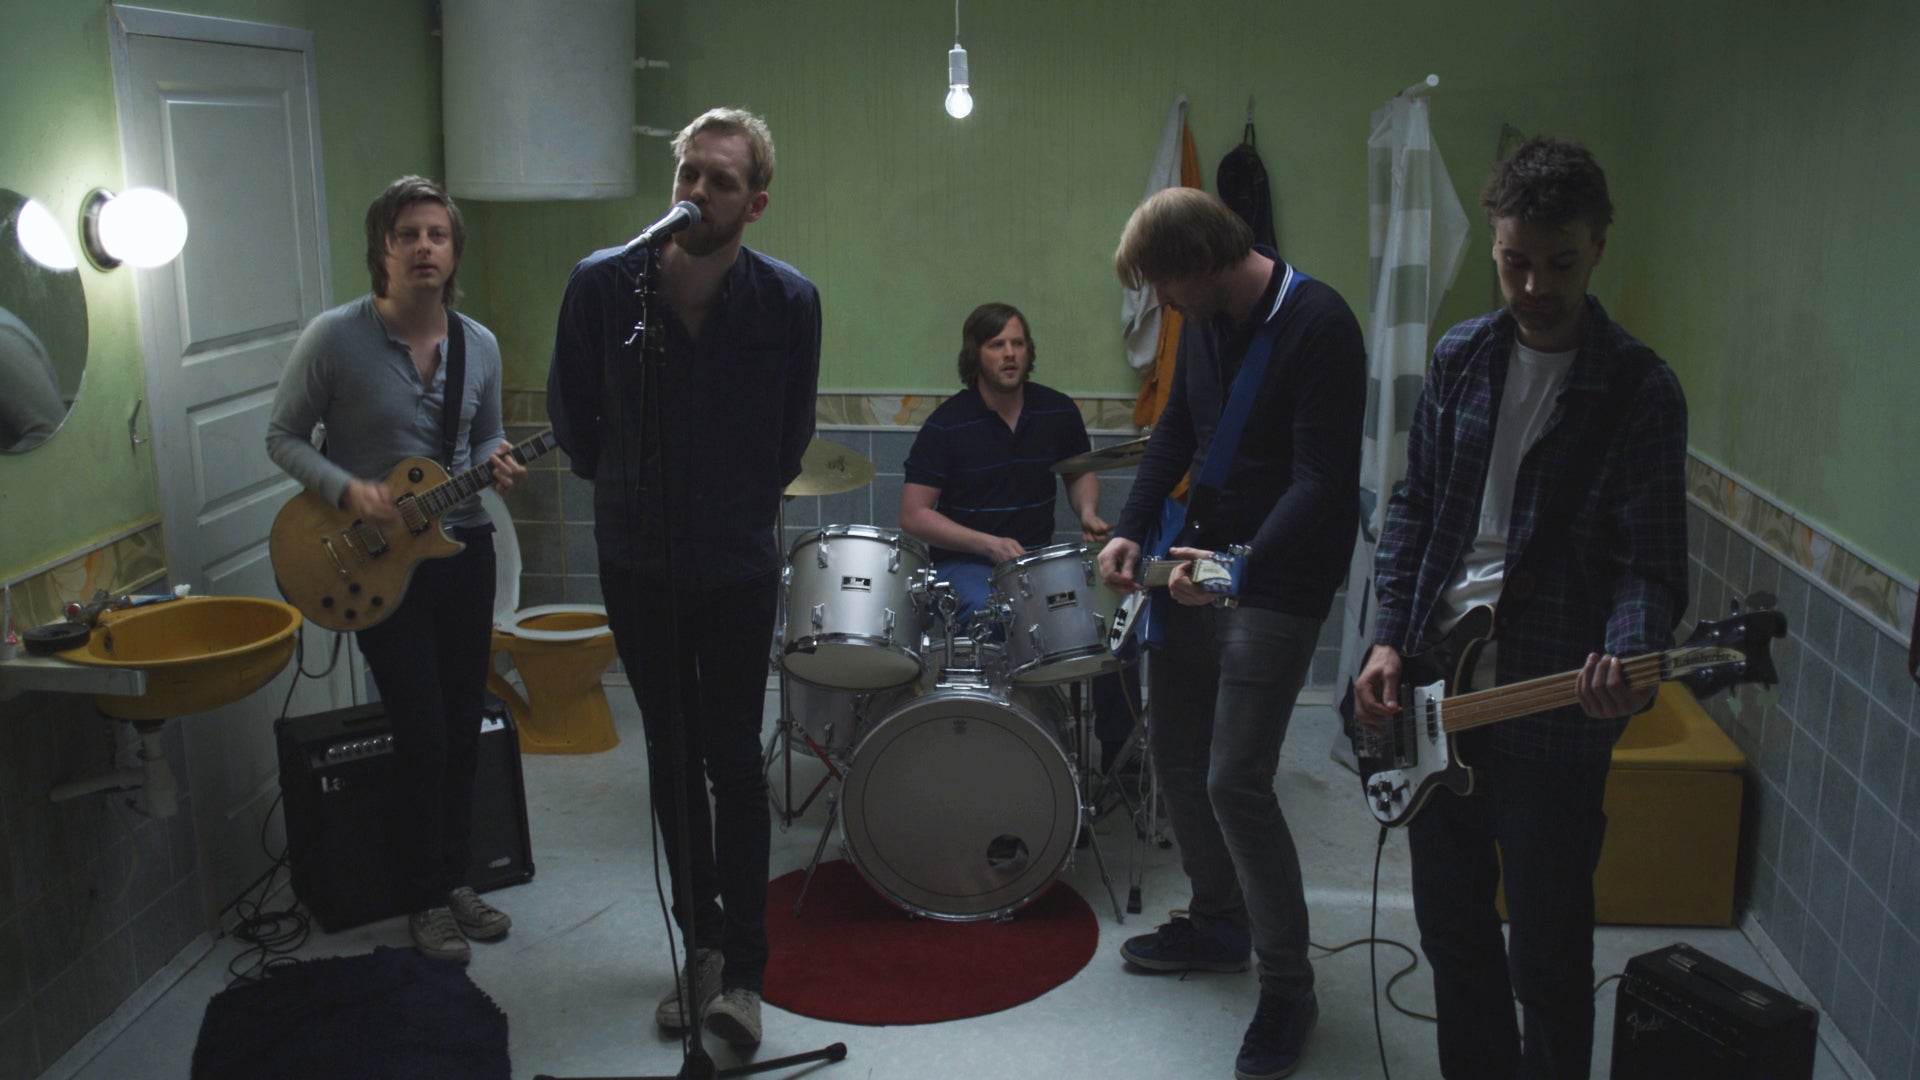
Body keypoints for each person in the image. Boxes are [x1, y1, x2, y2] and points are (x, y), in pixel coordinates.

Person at [1350, 136, 1689, 1079]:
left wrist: (1628, 657)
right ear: (1495, 245)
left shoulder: (1641, 391)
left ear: (1599, 249)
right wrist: (1386, 640)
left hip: (1551, 708)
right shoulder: (1462, 355)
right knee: (1453, 940)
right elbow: (1416, 507)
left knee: (1546, 953)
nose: (1535, 284)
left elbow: (1651, 568)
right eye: (1514, 261)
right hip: (1433, 692)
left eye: (1559, 263)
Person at [546, 107, 820, 1050]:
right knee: (667, 752)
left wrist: (731, 502)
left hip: (738, 562)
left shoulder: (789, 302)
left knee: (733, 758)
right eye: (689, 176)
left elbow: (791, 436)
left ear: (756, 204)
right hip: (638, 559)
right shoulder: (601, 286)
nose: (697, 193)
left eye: (721, 182)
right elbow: (575, 425)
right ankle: (699, 945)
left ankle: (744, 972)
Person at [1099, 187, 1365, 1080]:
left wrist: (1235, 569)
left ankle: (1288, 987)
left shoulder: (1320, 325)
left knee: (1236, 780)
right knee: (1175, 753)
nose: (1165, 305)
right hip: (1201, 559)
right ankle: (1219, 923)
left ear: (1203, 265)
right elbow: (1177, 421)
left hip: (1279, 578)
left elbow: (1323, 480)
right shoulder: (1206, 317)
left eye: (1167, 288)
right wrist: (1137, 523)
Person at [267, 175, 525, 964]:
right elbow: (282, 437)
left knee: (459, 724)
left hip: (462, 550)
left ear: (454, 252)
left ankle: (451, 881)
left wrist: (498, 460)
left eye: (437, 236)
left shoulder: (478, 342)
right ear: (382, 247)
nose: (423, 248)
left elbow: (486, 436)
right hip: (374, 564)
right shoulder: (335, 338)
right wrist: (346, 490)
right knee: (419, 731)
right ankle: (421, 896)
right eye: (407, 234)